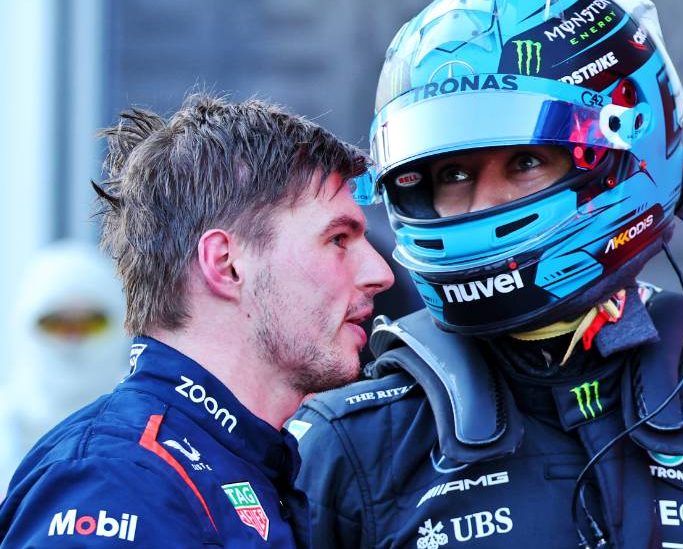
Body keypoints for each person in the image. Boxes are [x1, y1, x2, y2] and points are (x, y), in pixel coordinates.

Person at [289, 1, 683, 548]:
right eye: (454, 173)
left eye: (526, 162)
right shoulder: (348, 447)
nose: (483, 204)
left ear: (630, 146)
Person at [0, 94, 394, 547]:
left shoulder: (230, 459)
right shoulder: (118, 479)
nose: (380, 273)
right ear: (225, 264)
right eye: (338, 239)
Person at [0, 239, 128, 497]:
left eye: (91, 323)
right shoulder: (7, 421)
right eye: (55, 323)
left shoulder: (148, 419)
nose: (73, 339)